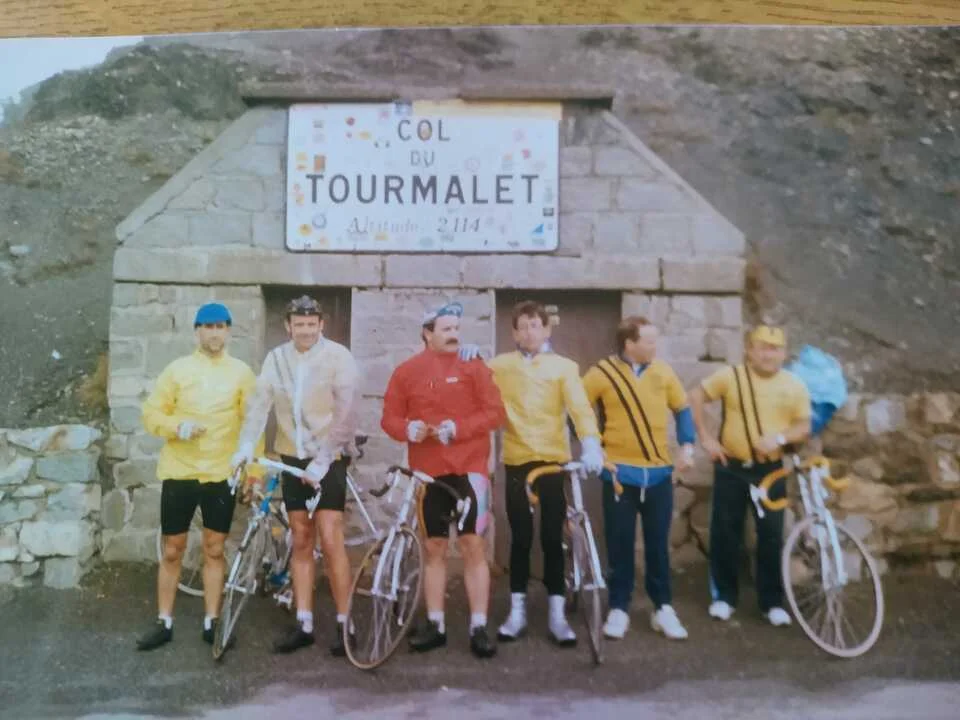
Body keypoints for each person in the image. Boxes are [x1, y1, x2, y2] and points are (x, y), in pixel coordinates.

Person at [232, 294, 360, 656]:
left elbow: (347, 413)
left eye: (311, 324)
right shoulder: (276, 358)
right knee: (301, 538)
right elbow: (260, 404)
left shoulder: (338, 357)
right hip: (292, 456)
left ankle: (345, 622)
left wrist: (324, 459)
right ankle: (304, 622)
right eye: (299, 325)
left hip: (329, 457)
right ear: (288, 326)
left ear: (321, 325)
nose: (305, 331)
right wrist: (246, 445)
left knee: (330, 537)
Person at [380, 300, 506, 659]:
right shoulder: (406, 371)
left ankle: (478, 626)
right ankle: (435, 624)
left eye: (456, 329)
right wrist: (408, 429)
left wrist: (459, 428)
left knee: (472, 545)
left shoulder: (473, 365)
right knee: (434, 548)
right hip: (428, 473)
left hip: (469, 470)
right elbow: (389, 419)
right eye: (446, 329)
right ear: (427, 333)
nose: (454, 335)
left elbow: (496, 413)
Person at [136, 302, 263, 651]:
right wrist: (177, 426)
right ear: (197, 331)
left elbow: (253, 426)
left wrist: (254, 473)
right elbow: (151, 414)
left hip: (221, 474)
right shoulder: (177, 370)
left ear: (228, 331)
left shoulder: (241, 373)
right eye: (208, 327)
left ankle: (212, 621)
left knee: (214, 548)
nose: (214, 333)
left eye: (221, 327)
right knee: (173, 549)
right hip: (180, 472)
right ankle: (164, 621)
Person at [487, 300, 604, 646]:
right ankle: (517, 611)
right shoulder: (500, 365)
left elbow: (580, 408)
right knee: (520, 536)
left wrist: (591, 444)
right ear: (514, 333)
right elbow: (475, 383)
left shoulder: (564, 367)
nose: (528, 333)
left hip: (553, 460)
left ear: (547, 329)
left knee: (552, 537)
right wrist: (468, 356)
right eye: (522, 327)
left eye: (535, 325)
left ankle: (556, 614)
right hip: (517, 459)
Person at [689, 324, 812, 627]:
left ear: (784, 353)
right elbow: (695, 396)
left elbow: (803, 426)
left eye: (775, 349)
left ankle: (772, 603)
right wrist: (706, 438)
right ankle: (724, 598)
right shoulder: (731, 376)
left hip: (770, 470)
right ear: (749, 350)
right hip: (731, 467)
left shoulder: (794, 385)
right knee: (725, 533)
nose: (768, 355)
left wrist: (779, 438)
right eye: (762, 348)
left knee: (771, 534)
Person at [582, 316, 695, 641]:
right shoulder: (601, 373)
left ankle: (663, 608)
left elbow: (682, 408)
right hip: (619, 474)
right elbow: (578, 407)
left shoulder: (663, 372)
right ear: (629, 343)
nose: (655, 346)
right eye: (649, 340)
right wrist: (593, 447)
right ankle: (619, 607)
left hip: (659, 475)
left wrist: (687, 446)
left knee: (658, 545)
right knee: (619, 544)